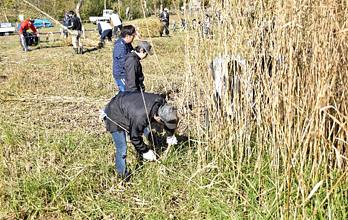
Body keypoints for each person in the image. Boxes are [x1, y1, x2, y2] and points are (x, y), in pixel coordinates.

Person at [101, 92, 179, 180]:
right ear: (157, 117)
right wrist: (145, 151)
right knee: (122, 148)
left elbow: (169, 119)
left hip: (129, 104)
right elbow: (134, 137)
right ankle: (122, 177)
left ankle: (155, 143)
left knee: (142, 126)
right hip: (115, 111)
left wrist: (170, 135)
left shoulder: (163, 104)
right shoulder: (140, 117)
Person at [113, 25, 135, 92]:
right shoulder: (120, 46)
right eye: (133, 36)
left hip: (126, 73)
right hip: (121, 74)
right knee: (124, 93)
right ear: (127, 36)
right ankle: (118, 102)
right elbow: (122, 62)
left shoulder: (127, 44)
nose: (134, 38)